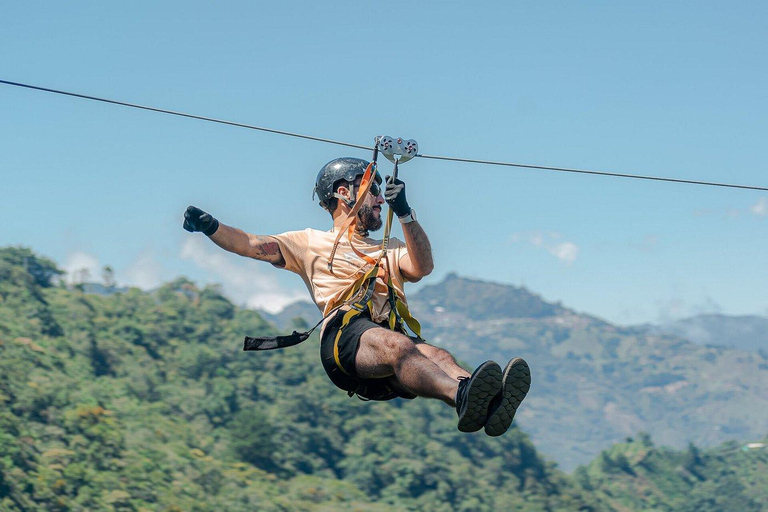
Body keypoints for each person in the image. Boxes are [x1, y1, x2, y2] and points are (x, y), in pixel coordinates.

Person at [183, 157, 530, 436]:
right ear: (344, 192)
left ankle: (486, 402)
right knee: (398, 346)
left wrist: (406, 213)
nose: (380, 199)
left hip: (388, 339)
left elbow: (423, 266)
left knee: (435, 353)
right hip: (345, 339)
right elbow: (251, 244)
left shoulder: (390, 247)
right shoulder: (309, 243)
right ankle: (462, 395)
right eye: (373, 191)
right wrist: (210, 225)